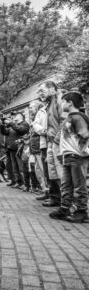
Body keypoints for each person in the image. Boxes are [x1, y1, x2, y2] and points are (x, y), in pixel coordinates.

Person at [48, 92, 89, 222]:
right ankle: (65, 208)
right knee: (66, 184)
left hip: (76, 156)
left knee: (79, 184)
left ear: (70, 102)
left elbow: (84, 134)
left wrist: (82, 151)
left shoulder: (77, 117)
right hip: (67, 156)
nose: (62, 104)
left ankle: (81, 211)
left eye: (64, 101)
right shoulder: (69, 118)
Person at [38, 81, 64, 207]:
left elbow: (64, 122)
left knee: (61, 172)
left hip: (59, 142)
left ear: (52, 89)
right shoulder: (49, 104)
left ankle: (66, 201)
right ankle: (55, 197)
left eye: (42, 90)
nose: (40, 93)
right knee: (51, 171)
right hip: (50, 142)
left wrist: (57, 140)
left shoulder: (60, 100)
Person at [0, 112, 30, 188]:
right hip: (12, 148)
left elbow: (20, 130)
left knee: (21, 167)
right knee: (14, 167)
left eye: (16, 116)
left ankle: (24, 183)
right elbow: (5, 132)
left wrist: (11, 123)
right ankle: (18, 182)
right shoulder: (13, 125)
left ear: (20, 117)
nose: (14, 118)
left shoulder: (24, 124)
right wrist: (1, 125)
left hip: (19, 149)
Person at [29, 99, 48, 198]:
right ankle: (44, 190)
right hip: (34, 150)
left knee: (43, 170)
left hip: (39, 149)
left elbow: (40, 133)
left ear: (37, 108)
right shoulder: (33, 119)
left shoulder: (42, 117)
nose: (29, 109)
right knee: (38, 171)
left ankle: (47, 191)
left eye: (31, 107)